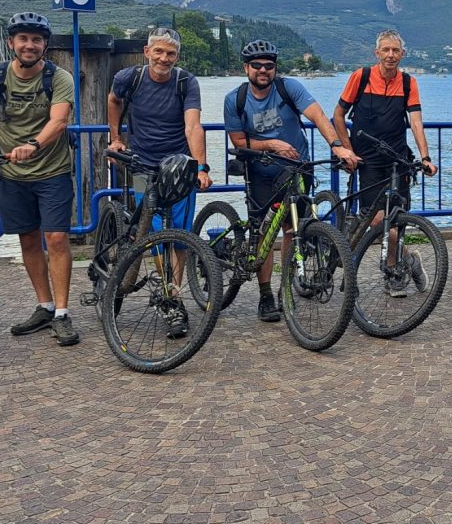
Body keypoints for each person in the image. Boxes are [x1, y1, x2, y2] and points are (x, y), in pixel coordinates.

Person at [0, 12, 79, 346]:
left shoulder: (59, 78)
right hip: (11, 172)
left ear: (45, 45)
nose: (30, 45)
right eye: (23, 39)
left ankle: (63, 314)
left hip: (53, 171)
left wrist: (33, 145)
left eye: (36, 40)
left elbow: (59, 121)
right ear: (11, 43)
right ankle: (45, 306)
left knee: (57, 238)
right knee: (28, 239)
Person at [223, 40, 359, 322]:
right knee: (262, 233)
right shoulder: (234, 99)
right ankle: (265, 295)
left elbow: (319, 116)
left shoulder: (289, 88)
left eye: (269, 66)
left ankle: (286, 283)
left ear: (275, 68)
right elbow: (237, 140)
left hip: (297, 169)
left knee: (290, 229)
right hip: (260, 172)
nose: (263, 70)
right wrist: (272, 144)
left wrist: (336, 146)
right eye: (257, 66)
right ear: (246, 68)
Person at [106, 26, 210, 337]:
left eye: (171, 53)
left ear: (177, 57)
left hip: (177, 167)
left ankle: (172, 297)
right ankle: (157, 286)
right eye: (159, 52)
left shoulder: (185, 82)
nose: (164, 58)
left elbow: (193, 126)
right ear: (147, 51)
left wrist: (200, 167)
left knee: (177, 236)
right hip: (142, 165)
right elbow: (113, 101)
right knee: (151, 232)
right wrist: (115, 138)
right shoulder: (129, 78)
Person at [332, 29, 437, 295]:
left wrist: (425, 157)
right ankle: (408, 259)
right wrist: (347, 150)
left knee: (396, 222)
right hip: (367, 161)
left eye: (396, 51)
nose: (391, 55)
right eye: (386, 50)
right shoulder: (362, 77)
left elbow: (415, 121)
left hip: (397, 159)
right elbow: (338, 115)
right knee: (378, 223)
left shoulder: (407, 83)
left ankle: (393, 274)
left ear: (402, 54)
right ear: (377, 53)